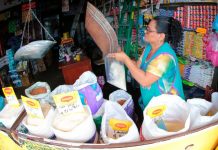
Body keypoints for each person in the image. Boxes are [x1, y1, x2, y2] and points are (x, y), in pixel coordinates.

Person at [108, 16, 185, 110]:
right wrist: (122, 56)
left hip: (168, 110)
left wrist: (125, 59)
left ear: (161, 36)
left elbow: (145, 80)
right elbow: (137, 66)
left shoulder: (165, 56)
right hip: (153, 106)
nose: (145, 31)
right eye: (146, 28)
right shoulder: (149, 47)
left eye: (149, 30)